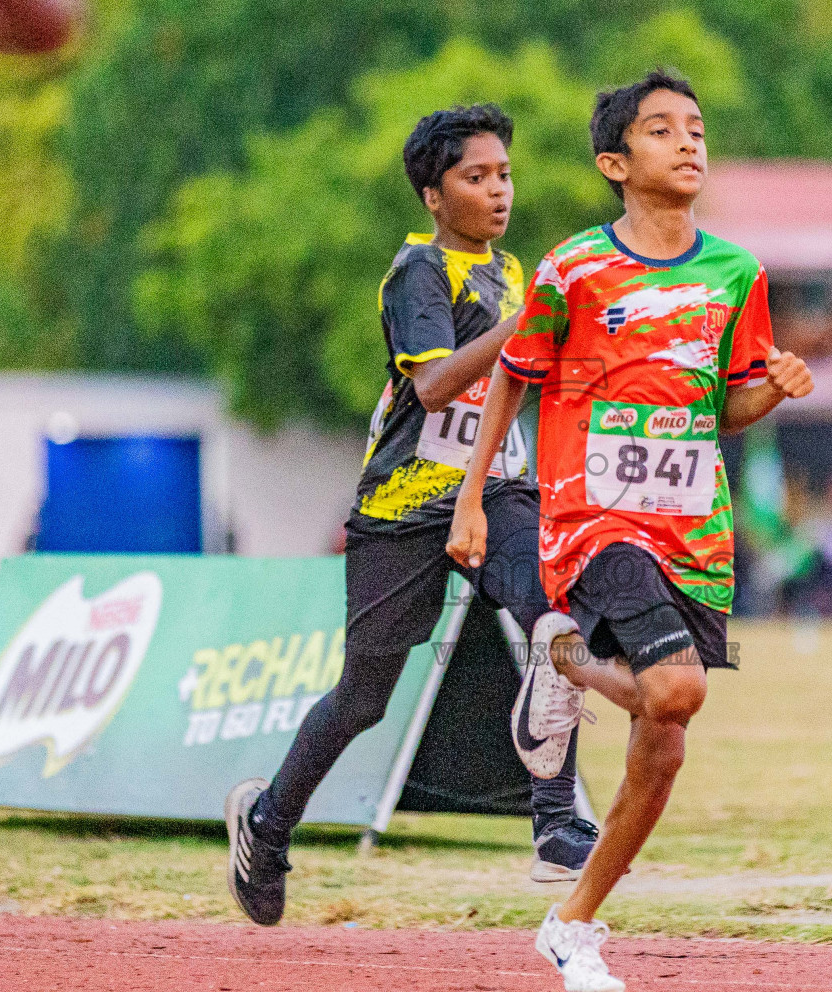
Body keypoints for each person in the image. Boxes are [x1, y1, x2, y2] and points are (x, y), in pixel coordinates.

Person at [446, 71, 814, 992]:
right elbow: (510, 379)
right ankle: (568, 664)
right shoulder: (574, 269)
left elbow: (727, 409)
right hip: (594, 516)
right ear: (616, 162)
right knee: (676, 685)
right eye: (661, 131)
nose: (688, 143)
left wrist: (774, 388)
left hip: (694, 526)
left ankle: (573, 923)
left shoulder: (739, 275)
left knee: (669, 727)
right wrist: (474, 498)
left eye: (695, 128)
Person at [224, 103, 631, 928]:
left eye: (505, 174)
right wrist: (526, 329)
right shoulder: (419, 274)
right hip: (404, 506)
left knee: (554, 617)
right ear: (433, 197)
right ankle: (266, 827)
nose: (498, 191)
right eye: (475, 178)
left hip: (499, 489)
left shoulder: (514, 272)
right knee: (364, 698)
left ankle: (555, 822)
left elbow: (530, 382)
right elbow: (436, 386)